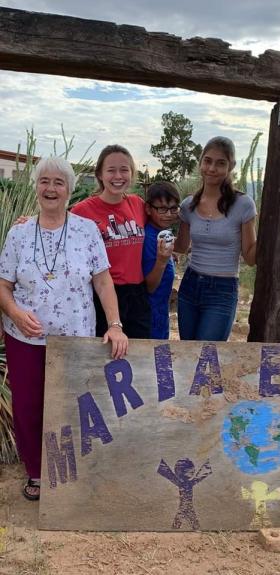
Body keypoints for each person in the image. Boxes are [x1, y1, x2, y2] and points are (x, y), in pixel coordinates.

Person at [0, 157, 127, 501]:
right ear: (36, 187)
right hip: (25, 337)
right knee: (28, 406)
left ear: (70, 190)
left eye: (59, 182)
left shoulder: (87, 231)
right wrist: (14, 311)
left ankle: (71, 472)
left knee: (74, 405)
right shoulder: (19, 232)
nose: (51, 188)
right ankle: (36, 472)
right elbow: (3, 284)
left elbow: (102, 281)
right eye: (44, 181)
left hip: (75, 338)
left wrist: (114, 325)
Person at [174, 136, 257, 341]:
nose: (212, 168)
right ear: (200, 162)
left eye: (221, 163)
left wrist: (273, 233)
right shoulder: (188, 205)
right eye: (208, 161)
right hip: (190, 284)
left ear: (231, 166)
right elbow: (182, 247)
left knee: (208, 357)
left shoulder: (243, 204)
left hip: (222, 289)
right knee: (187, 354)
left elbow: (250, 257)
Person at [70, 144, 151, 339]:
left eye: (124, 170)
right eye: (111, 170)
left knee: (139, 356)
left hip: (137, 294)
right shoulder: (82, 211)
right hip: (103, 294)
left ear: (132, 173)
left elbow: (165, 215)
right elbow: (56, 226)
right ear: (99, 174)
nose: (118, 176)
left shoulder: (137, 204)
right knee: (103, 357)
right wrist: (28, 222)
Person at [142, 182, 180, 340]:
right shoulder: (149, 239)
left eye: (173, 208)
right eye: (162, 209)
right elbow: (150, 286)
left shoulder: (162, 233)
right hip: (151, 315)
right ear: (149, 209)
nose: (168, 214)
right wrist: (162, 261)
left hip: (160, 312)